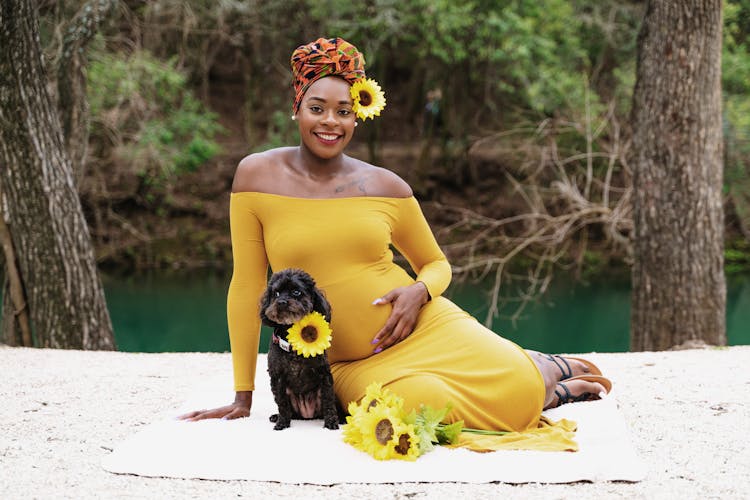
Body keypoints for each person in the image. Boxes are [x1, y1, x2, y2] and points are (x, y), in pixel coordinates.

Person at [179, 37, 611, 451]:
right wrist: (243, 396)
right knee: (417, 407)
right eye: (317, 108)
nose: (331, 122)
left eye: (343, 111)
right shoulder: (255, 176)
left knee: (514, 386)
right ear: (297, 109)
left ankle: (541, 368)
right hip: (345, 364)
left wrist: (418, 291)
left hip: (425, 326)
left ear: (356, 117)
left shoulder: (386, 185)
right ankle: (549, 385)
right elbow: (246, 284)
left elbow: (437, 264)